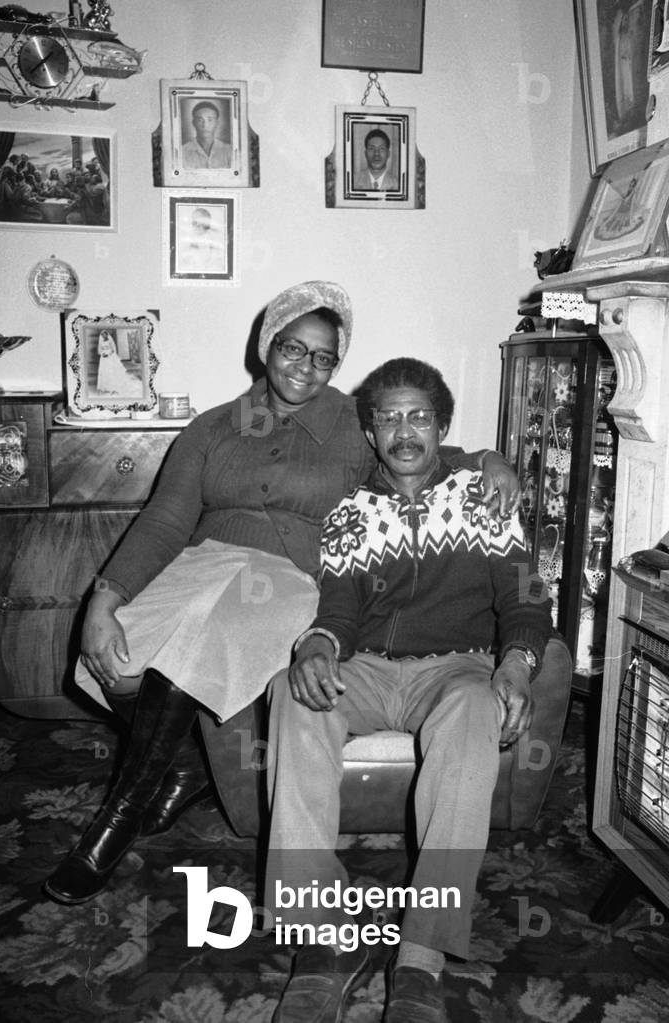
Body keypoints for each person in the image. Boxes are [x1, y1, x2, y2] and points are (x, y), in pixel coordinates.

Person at [43, 283, 520, 906]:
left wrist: (489, 458)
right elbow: (164, 520)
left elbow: (418, 449)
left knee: (200, 641)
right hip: (206, 568)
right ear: (267, 345)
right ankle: (186, 762)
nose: (307, 366)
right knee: (118, 660)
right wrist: (105, 600)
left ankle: (114, 822)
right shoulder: (213, 427)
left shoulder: (354, 424)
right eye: (294, 348)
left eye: (324, 357)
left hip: (289, 580)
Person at [265, 357, 552, 1023]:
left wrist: (515, 664)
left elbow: (526, 600)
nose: (403, 430)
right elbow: (337, 609)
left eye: (417, 416)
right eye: (388, 418)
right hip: (367, 666)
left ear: (442, 427)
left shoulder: (486, 497)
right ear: (369, 433)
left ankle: (422, 953)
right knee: (291, 693)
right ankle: (326, 936)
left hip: (456, 667)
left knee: (474, 706)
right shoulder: (350, 511)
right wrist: (315, 645)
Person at [181, 100, 233, 170]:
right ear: (194, 123)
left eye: (210, 120)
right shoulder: (182, 152)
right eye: (200, 120)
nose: (205, 125)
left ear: (217, 123)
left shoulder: (229, 151)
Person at [95, 330, 143, 396]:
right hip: (103, 358)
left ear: (107, 334)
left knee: (111, 371)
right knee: (104, 371)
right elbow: (99, 350)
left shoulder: (110, 341)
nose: (103, 336)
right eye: (102, 335)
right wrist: (102, 354)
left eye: (105, 334)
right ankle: (106, 387)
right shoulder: (101, 342)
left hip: (110, 357)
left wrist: (108, 354)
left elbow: (113, 349)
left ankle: (113, 387)